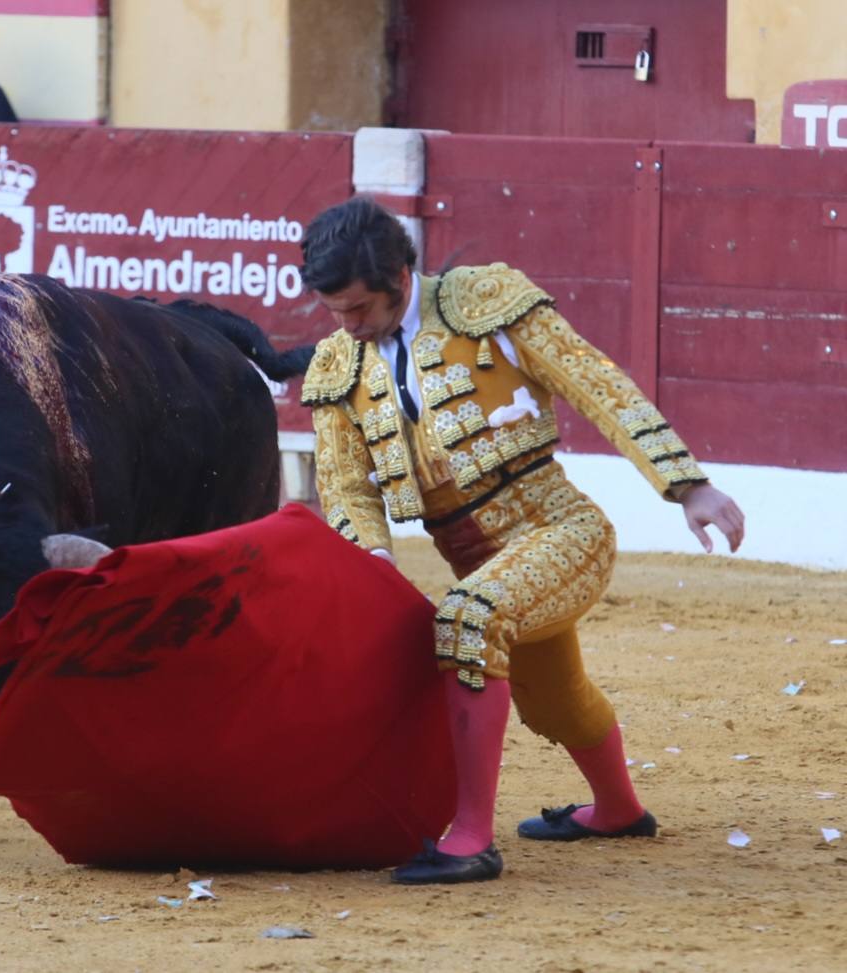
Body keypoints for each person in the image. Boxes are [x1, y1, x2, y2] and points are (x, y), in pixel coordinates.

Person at [299, 196, 745, 885]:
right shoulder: (337, 365)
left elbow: (596, 383)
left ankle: (472, 835)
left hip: (560, 529)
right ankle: (618, 809)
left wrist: (688, 484)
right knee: (555, 699)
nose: (348, 327)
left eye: (359, 309)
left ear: (398, 276)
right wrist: (374, 565)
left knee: (468, 617)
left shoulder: (489, 304)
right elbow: (346, 486)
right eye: (335, 313)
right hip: (478, 556)